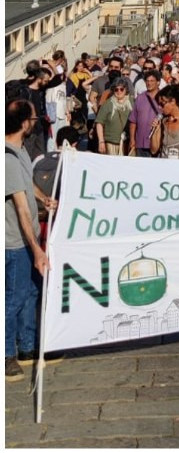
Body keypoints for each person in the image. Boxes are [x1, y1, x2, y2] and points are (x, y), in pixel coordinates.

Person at [6, 99, 62, 382]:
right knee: (12, 299)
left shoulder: (20, 151)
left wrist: (45, 199)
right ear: (24, 123)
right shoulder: (7, 157)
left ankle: (27, 348)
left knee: (31, 294)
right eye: (33, 118)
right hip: (15, 242)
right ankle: (6, 356)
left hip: (26, 240)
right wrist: (37, 249)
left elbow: (27, 185)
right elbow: (21, 208)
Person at [127, 70, 163, 158]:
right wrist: (132, 140)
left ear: (158, 82)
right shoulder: (140, 98)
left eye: (152, 81)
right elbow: (133, 121)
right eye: (147, 81)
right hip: (140, 143)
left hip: (158, 143)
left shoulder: (164, 98)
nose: (149, 83)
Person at [94, 78, 132, 155]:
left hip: (128, 142)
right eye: (116, 89)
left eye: (121, 89)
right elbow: (99, 123)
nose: (119, 91)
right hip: (111, 142)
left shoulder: (132, 102)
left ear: (126, 89)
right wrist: (101, 141)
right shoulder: (107, 104)